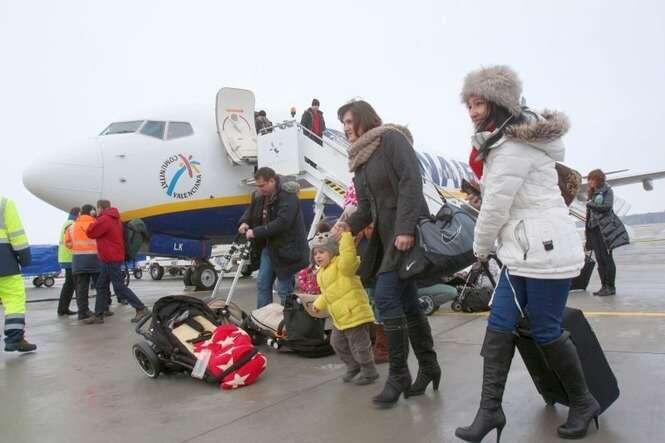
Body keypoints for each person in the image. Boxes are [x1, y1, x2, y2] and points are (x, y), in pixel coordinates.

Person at [455, 65, 598, 441]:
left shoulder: (511, 147)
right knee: (499, 325)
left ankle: (583, 402)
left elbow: (496, 208)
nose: (472, 112)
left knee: (546, 330)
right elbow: (505, 198)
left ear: (498, 103)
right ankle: (490, 411)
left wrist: (479, 248)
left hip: (546, 253)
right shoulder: (501, 145)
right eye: (469, 104)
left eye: (479, 103)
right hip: (521, 252)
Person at [332, 100, 440, 408]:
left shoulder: (391, 139)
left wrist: (405, 228)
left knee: (385, 298)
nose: (346, 128)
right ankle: (429, 366)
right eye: (343, 123)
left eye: (349, 121)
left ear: (364, 119)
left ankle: (399, 375)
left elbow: (411, 181)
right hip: (385, 240)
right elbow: (366, 207)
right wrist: (347, 226)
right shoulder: (361, 161)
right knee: (409, 305)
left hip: (404, 236)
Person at [310, 230, 379, 385]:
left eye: (322, 252)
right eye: (315, 253)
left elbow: (349, 258)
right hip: (340, 318)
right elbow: (329, 293)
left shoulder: (342, 265)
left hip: (354, 313)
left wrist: (346, 236)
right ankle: (353, 366)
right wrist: (318, 304)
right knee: (336, 343)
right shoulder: (322, 272)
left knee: (360, 345)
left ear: (332, 251)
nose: (318, 256)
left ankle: (369, 371)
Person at [238, 167, 309, 308]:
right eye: (258, 186)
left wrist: (256, 232)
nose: (260, 189)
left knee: (283, 289)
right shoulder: (260, 196)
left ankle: (289, 317)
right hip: (269, 247)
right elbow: (251, 211)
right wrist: (245, 222)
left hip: (287, 249)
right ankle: (263, 316)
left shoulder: (288, 197)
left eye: (262, 185)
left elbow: (283, 223)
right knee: (262, 284)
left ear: (272, 181)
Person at [84, 199, 149, 324]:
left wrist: (94, 218)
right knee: (101, 285)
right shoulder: (115, 219)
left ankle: (141, 308)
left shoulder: (104, 219)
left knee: (119, 287)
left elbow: (90, 233)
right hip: (112, 257)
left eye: (97, 209)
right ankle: (99, 314)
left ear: (100, 208)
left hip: (110, 258)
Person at [0, 195, 37, 352]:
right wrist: (25, 258)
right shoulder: (4, 203)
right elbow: (17, 234)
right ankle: (15, 338)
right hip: (3, 260)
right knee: (14, 298)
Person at [585, 169, 629, 296]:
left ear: (598, 179)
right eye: (589, 180)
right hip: (594, 229)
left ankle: (610, 287)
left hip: (605, 229)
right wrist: (587, 231)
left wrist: (590, 205)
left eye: (591, 179)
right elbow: (590, 215)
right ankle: (603, 286)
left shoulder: (607, 191)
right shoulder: (592, 193)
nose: (589, 182)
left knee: (607, 258)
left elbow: (607, 207)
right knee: (599, 259)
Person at [65, 204, 99, 321]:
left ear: (80, 213)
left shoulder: (72, 226)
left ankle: (83, 312)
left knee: (81, 288)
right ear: (92, 212)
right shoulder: (96, 224)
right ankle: (101, 310)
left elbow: (68, 244)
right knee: (100, 286)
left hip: (79, 260)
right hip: (95, 259)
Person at [56, 207, 80, 316]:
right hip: (70, 258)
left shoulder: (67, 223)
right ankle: (63, 309)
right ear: (78, 214)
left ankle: (63, 308)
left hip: (66, 257)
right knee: (72, 284)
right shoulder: (71, 224)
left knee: (70, 284)